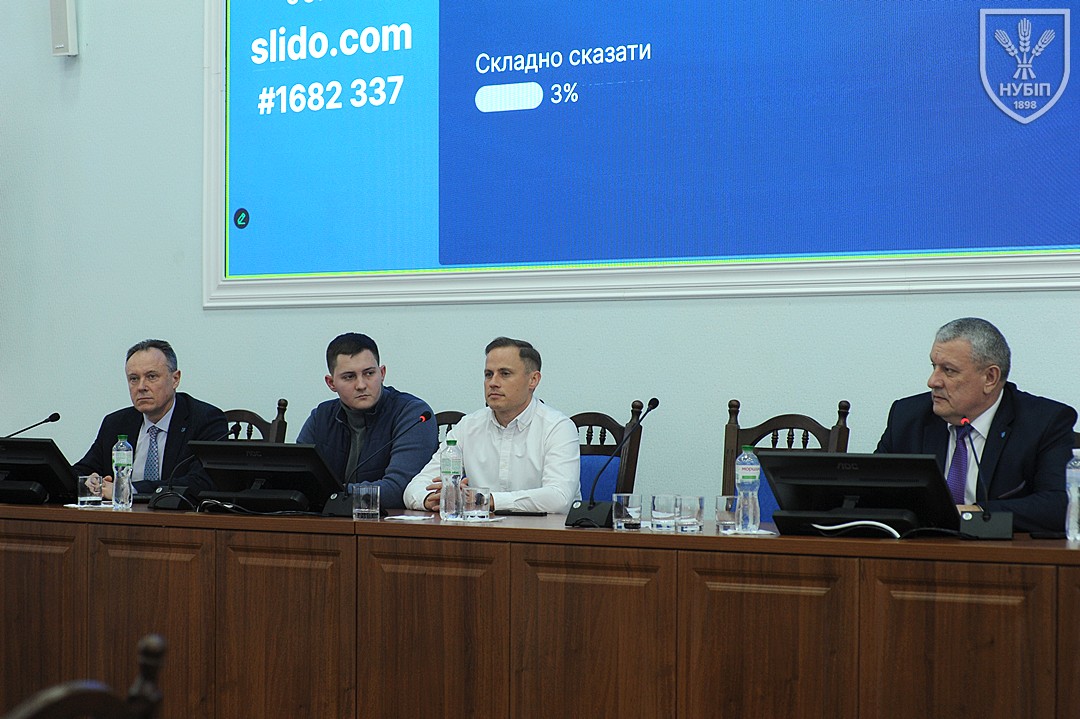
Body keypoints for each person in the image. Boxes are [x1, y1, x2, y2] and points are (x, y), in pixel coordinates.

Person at [876, 317, 1077, 533]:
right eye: (934, 366)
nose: (932, 381)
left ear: (990, 378)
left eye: (948, 370)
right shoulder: (908, 417)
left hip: (1000, 551)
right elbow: (870, 491)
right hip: (920, 547)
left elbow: (1060, 505)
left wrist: (972, 513)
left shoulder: (1045, 422)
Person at [404, 337, 580, 514]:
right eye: (488, 374)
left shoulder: (558, 428)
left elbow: (559, 498)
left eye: (505, 374)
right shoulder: (467, 427)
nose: (493, 382)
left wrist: (483, 499)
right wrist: (431, 499)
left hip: (542, 530)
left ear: (533, 380)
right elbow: (414, 488)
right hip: (481, 529)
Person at [297, 332, 437, 509]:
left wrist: (331, 494)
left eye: (369, 373)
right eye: (349, 377)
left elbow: (398, 490)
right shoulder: (321, 417)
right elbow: (298, 479)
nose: (361, 385)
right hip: (330, 520)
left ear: (382, 373)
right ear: (331, 383)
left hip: (389, 522)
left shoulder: (413, 414)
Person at [74, 339, 228, 497]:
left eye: (151, 376)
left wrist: (128, 489)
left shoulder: (205, 420)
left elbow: (202, 482)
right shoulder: (115, 423)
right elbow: (81, 471)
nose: (141, 387)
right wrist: (89, 481)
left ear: (175, 379)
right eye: (134, 379)